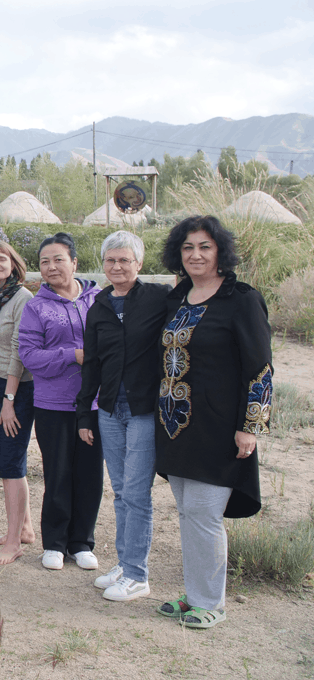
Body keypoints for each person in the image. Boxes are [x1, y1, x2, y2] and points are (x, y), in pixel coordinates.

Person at [155, 215, 270, 628]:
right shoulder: (179, 297)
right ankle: (194, 595)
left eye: (204, 246)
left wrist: (251, 426)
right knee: (188, 513)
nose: (196, 254)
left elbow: (260, 369)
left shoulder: (241, 299)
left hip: (220, 429)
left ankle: (212, 603)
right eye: (188, 247)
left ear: (220, 250)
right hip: (176, 425)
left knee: (205, 513)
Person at [76, 231, 170, 600]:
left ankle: (137, 574)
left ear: (140, 264)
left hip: (146, 410)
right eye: (111, 260)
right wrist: (85, 413)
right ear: (103, 264)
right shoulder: (98, 306)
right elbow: (93, 364)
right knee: (119, 493)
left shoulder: (159, 299)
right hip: (110, 410)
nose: (117, 266)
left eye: (125, 260)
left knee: (136, 493)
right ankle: (124, 563)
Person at [18, 232, 103, 571]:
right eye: (44, 262)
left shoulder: (98, 299)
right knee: (57, 472)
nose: (51, 267)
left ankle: (81, 542)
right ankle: (54, 542)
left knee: (90, 473)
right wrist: (75, 355)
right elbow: (30, 356)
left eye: (58, 260)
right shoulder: (36, 306)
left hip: (95, 404)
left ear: (74, 263)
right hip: (53, 403)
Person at [0, 239, 36, 564]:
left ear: (13, 263)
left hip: (16, 388)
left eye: (2, 259)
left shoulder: (21, 299)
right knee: (5, 459)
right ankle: (24, 528)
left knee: (12, 463)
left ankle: (13, 543)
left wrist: (9, 399)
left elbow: (19, 352)